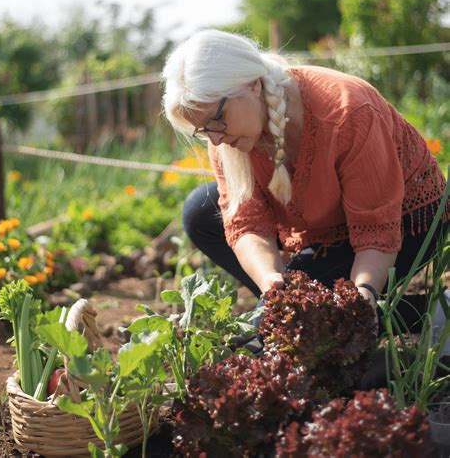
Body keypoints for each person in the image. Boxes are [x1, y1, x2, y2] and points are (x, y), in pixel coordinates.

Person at [160, 29, 449, 336]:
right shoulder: (223, 133)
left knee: (294, 327)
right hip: (323, 226)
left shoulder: (347, 110)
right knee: (200, 212)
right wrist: (270, 280)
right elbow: (247, 224)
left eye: (216, 121)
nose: (215, 138)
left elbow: (375, 228)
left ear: (253, 86)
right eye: (202, 130)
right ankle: (322, 316)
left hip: (406, 221)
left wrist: (362, 293)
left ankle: (421, 312)